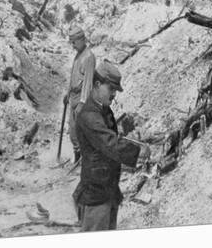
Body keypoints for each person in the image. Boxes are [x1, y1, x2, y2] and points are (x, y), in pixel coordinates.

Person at [72, 60, 151, 231]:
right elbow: (109, 143)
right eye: (111, 89)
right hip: (96, 195)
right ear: (98, 84)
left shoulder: (103, 109)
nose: (114, 94)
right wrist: (138, 152)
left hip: (108, 191)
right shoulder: (89, 115)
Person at [64, 25, 96, 163]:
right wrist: (67, 93)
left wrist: (83, 102)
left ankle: (84, 160)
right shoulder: (78, 55)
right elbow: (74, 76)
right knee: (73, 132)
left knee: (81, 131)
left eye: (74, 42)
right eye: (71, 42)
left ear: (82, 39)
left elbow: (88, 82)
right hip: (73, 97)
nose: (73, 45)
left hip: (83, 100)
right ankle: (77, 158)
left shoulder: (88, 57)